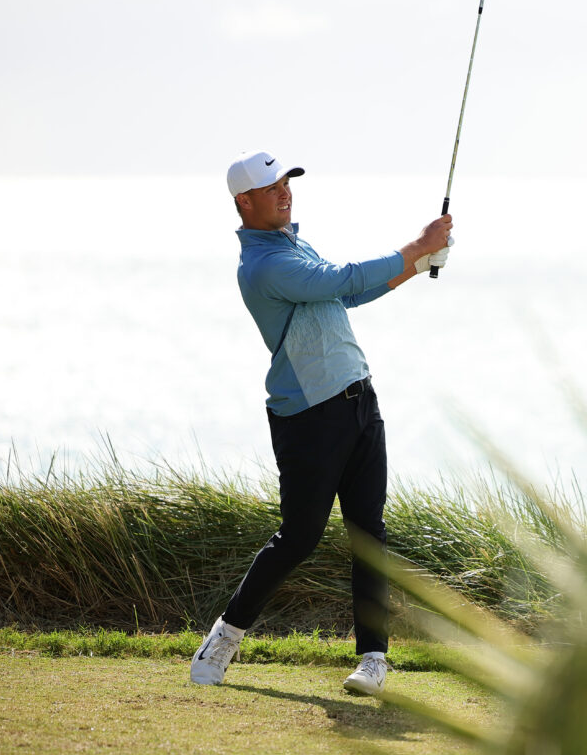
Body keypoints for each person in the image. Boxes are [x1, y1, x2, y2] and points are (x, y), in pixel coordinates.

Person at [190, 150, 454, 695]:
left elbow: (349, 292)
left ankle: (373, 660)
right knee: (299, 536)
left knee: (368, 533)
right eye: (272, 186)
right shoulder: (264, 265)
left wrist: (418, 265)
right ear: (245, 201)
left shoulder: (293, 245)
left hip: (360, 401)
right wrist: (417, 245)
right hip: (309, 416)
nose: (285, 191)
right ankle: (225, 636)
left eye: (286, 181)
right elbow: (340, 277)